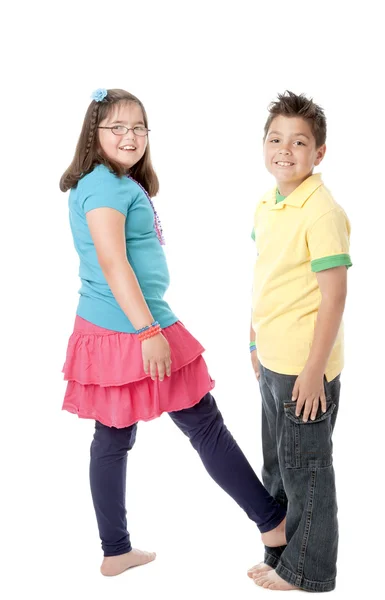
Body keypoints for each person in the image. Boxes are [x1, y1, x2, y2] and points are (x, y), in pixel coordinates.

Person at [60, 88, 286, 577]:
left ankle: (115, 549)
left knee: (114, 438)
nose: (130, 136)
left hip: (112, 328)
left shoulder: (115, 183)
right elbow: (113, 262)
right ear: (93, 135)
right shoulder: (102, 187)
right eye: (117, 127)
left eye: (139, 127)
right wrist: (148, 331)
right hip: (131, 330)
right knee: (203, 425)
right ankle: (272, 522)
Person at [247, 91, 352, 592]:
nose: (284, 150)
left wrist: (314, 371)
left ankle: (309, 570)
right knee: (277, 466)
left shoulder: (322, 211)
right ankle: (281, 554)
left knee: (308, 473)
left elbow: (333, 298)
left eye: (299, 142)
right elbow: (268, 274)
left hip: (304, 368)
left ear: (319, 153)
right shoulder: (268, 203)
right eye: (275, 139)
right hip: (272, 359)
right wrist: (253, 339)